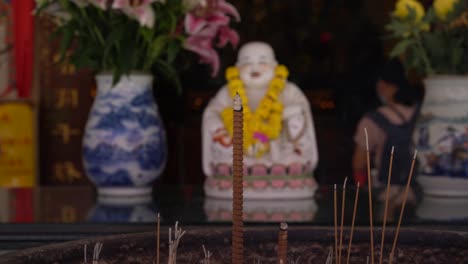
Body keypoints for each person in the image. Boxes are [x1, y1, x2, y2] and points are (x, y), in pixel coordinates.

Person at [202, 41, 319, 199]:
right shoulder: (229, 91)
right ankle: (238, 167)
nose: (254, 68)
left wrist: (286, 114)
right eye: (247, 62)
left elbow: (301, 109)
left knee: (296, 119)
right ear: (237, 68)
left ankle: (284, 167)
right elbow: (212, 111)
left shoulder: (287, 89)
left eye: (262, 62)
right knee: (216, 126)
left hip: (279, 147)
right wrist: (218, 124)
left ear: (274, 66)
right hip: (238, 151)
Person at [352, 59, 421, 201]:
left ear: (381, 84)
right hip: (419, 193)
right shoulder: (422, 114)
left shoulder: (372, 120)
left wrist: (363, 193)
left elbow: (359, 163)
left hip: (387, 195)